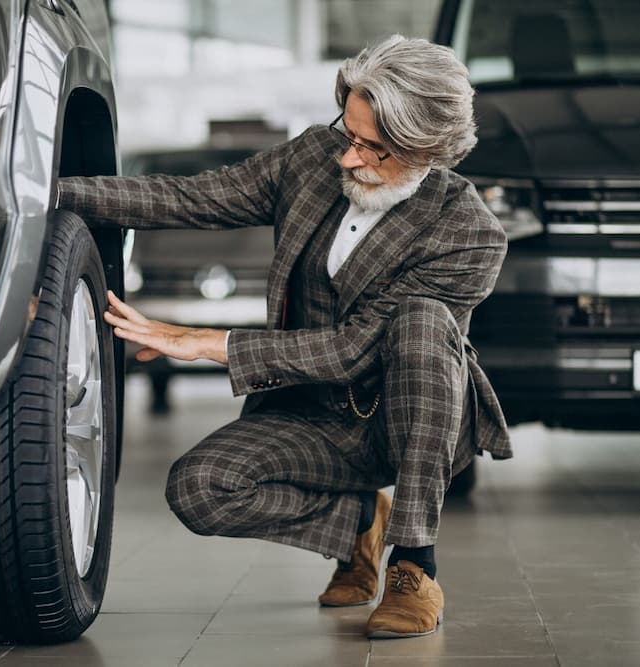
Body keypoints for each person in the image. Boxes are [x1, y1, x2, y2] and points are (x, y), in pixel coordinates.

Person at [57, 35, 511, 639]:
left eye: (371, 149)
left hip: (403, 425)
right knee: (198, 488)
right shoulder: (313, 159)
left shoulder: (468, 234)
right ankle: (358, 523)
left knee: (424, 322)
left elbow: (354, 346)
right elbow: (191, 197)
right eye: (347, 134)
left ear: (427, 149)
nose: (348, 159)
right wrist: (48, 194)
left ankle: (412, 564)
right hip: (311, 414)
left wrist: (207, 341)